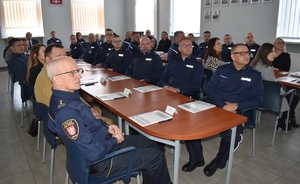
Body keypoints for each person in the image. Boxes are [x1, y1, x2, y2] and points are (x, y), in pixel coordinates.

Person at [46, 56, 172, 184]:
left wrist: (106, 128)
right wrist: (114, 140)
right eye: (72, 73)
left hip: (100, 142)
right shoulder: (66, 112)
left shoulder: (67, 97)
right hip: (101, 162)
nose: (79, 76)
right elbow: (92, 153)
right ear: (57, 79)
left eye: (78, 71)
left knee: (148, 142)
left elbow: (88, 125)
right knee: (156, 157)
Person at [182, 44, 263, 176]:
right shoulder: (222, 70)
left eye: (247, 53)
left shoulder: (255, 76)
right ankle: (197, 158)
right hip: (215, 104)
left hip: (237, 110)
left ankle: (218, 161)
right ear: (232, 56)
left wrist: (236, 105)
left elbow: (258, 100)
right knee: (188, 120)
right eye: (241, 53)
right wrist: (222, 104)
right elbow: (209, 89)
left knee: (233, 136)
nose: (246, 56)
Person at [34, 43, 111, 123]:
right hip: (66, 122)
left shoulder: (53, 73)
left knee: (96, 110)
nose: (64, 59)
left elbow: (72, 95)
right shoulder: (49, 80)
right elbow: (63, 107)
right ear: (48, 60)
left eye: (65, 56)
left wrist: (88, 107)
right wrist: (88, 110)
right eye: (59, 57)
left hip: (67, 115)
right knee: (108, 122)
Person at [250, 43, 300, 129]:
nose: (275, 54)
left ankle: (288, 119)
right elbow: (275, 89)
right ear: (265, 53)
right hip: (269, 99)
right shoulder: (267, 69)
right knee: (295, 95)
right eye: (272, 51)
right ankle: (284, 119)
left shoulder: (253, 65)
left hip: (257, 96)